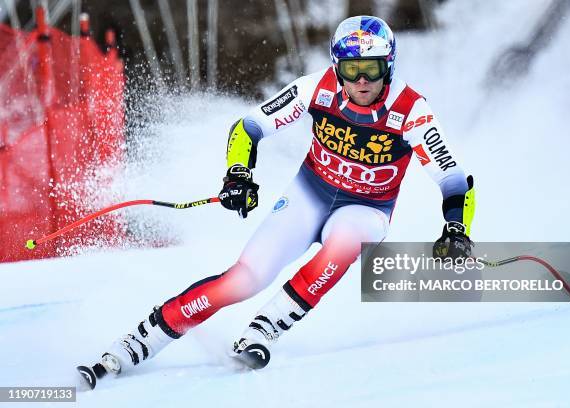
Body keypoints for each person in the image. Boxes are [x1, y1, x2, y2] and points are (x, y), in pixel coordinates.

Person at [77, 15, 476, 389]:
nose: (361, 81)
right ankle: (140, 340)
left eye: (371, 68)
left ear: (389, 65)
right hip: (309, 194)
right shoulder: (315, 88)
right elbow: (249, 126)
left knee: (345, 241)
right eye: (351, 69)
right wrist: (237, 174)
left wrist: (457, 229)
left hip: (366, 208)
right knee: (243, 280)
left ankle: (265, 328)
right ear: (337, 67)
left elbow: (454, 179)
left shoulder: (410, 111)